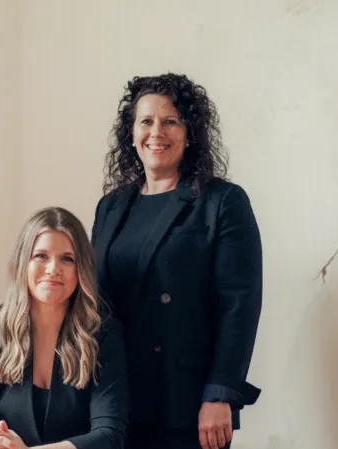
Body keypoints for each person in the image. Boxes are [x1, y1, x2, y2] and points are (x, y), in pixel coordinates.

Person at [90, 73, 263, 449]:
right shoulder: (111, 207)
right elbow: (94, 302)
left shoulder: (222, 202)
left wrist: (220, 394)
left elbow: (239, 306)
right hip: (116, 399)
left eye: (171, 121)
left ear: (190, 132)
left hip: (187, 402)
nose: (157, 132)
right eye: (146, 121)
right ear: (131, 132)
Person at [0, 207, 129, 449]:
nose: (53, 268)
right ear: (23, 262)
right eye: (41, 256)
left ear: (81, 270)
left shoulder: (104, 334)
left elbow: (109, 434)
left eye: (67, 258)